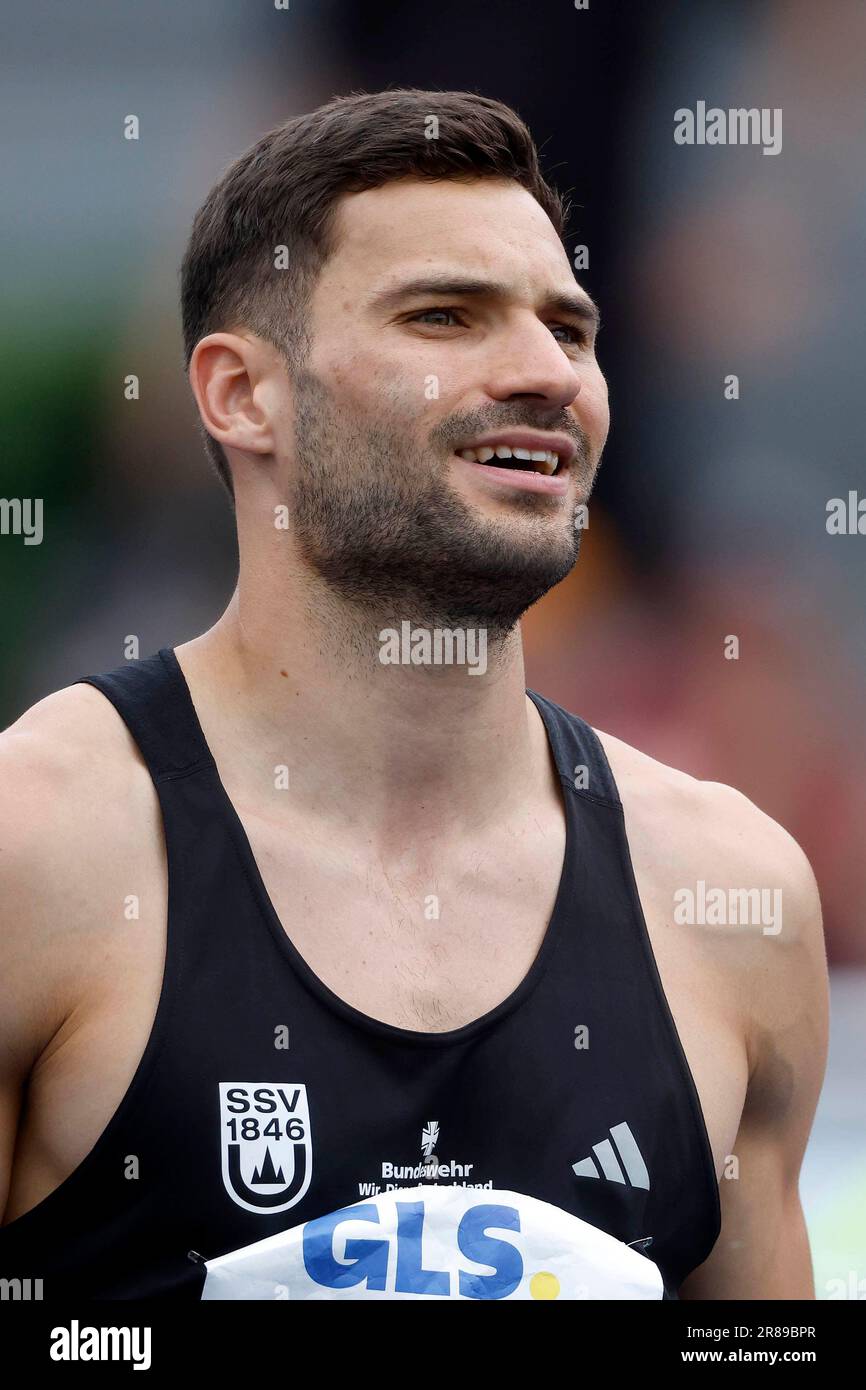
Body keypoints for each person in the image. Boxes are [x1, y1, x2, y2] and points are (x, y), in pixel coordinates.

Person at [0, 90, 828, 1301]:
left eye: (571, 330)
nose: (546, 375)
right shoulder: (38, 849)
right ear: (242, 395)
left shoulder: (730, 897)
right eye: (444, 316)